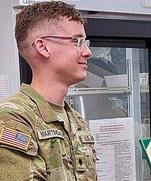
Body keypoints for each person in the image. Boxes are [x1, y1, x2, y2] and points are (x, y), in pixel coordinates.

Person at [0, 1, 97, 180]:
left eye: (85, 42)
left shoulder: (76, 121)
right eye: (77, 41)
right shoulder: (13, 118)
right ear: (43, 47)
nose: (87, 52)